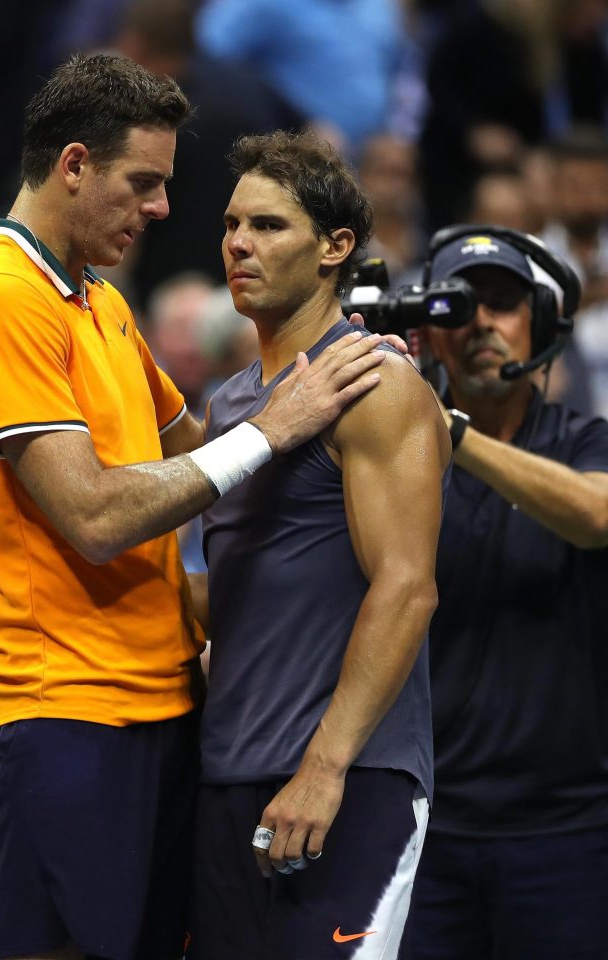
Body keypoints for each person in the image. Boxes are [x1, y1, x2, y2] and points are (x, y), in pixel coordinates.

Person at [0, 55, 392, 960]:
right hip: (61, 717)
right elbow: (96, 516)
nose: (163, 210)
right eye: (144, 183)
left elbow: (196, 448)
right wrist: (281, 423)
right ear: (72, 166)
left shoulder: (95, 302)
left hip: (161, 713)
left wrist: (349, 377)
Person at [186, 131, 450, 960]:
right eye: (232, 224)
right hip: (229, 777)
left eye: (268, 226)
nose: (238, 244)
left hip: (348, 780)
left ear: (337, 248)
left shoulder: (376, 383)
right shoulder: (232, 405)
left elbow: (408, 588)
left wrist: (325, 768)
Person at [408, 226, 608, 959]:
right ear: (430, 335)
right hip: (427, 827)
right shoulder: (397, 462)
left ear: (542, 324)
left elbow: (597, 515)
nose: (482, 323)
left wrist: (453, 435)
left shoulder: (585, 441)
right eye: (460, 306)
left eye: (502, 303)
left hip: (570, 830)